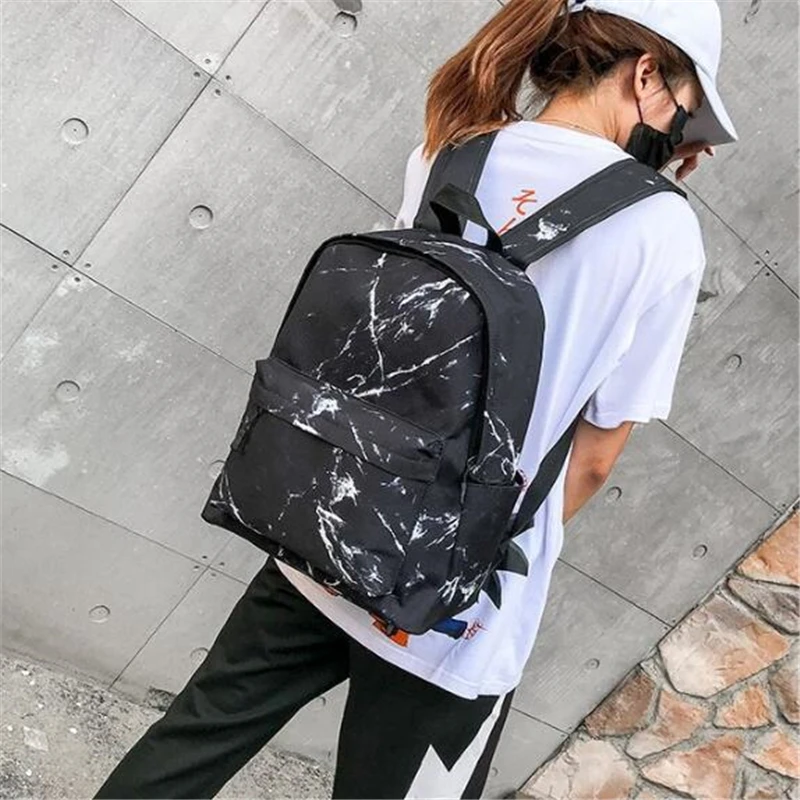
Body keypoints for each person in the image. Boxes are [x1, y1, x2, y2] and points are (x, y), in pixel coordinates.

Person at [94, 0, 737, 797]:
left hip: (333, 528)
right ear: (644, 75)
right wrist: (460, 544)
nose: (682, 130)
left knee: (191, 742)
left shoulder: (451, 149)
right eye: (683, 108)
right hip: (457, 613)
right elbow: (594, 460)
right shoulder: (664, 231)